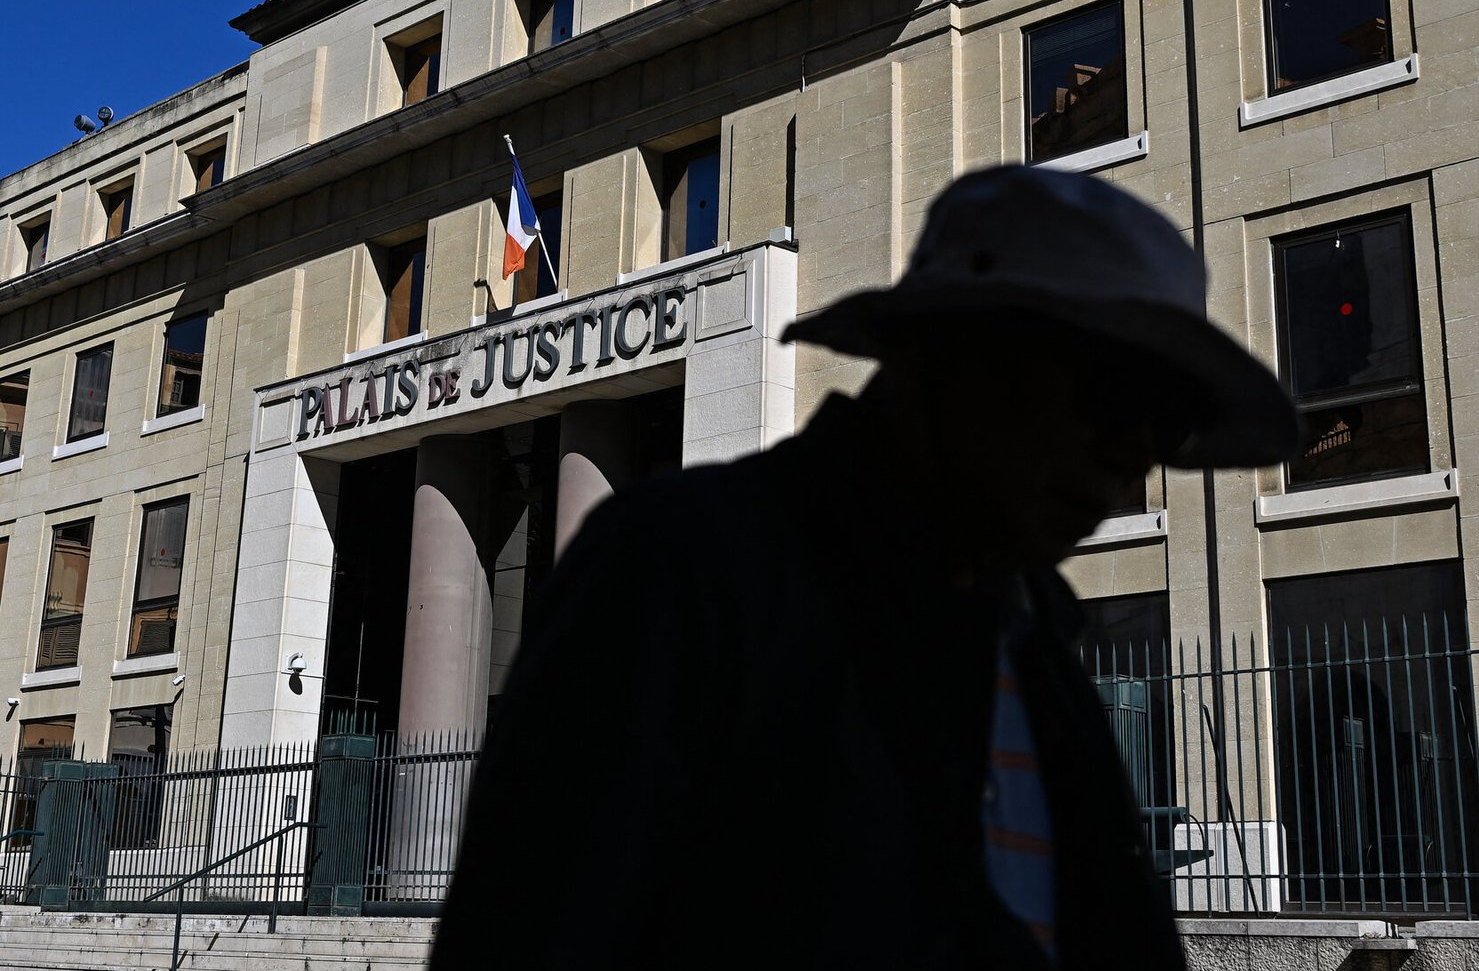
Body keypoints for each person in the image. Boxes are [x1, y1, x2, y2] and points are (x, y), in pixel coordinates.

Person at [430, 166, 1298, 969]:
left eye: (1166, 421)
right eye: (1107, 393)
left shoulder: (1039, 642)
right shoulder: (682, 569)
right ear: (945, 354)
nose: (1132, 456)